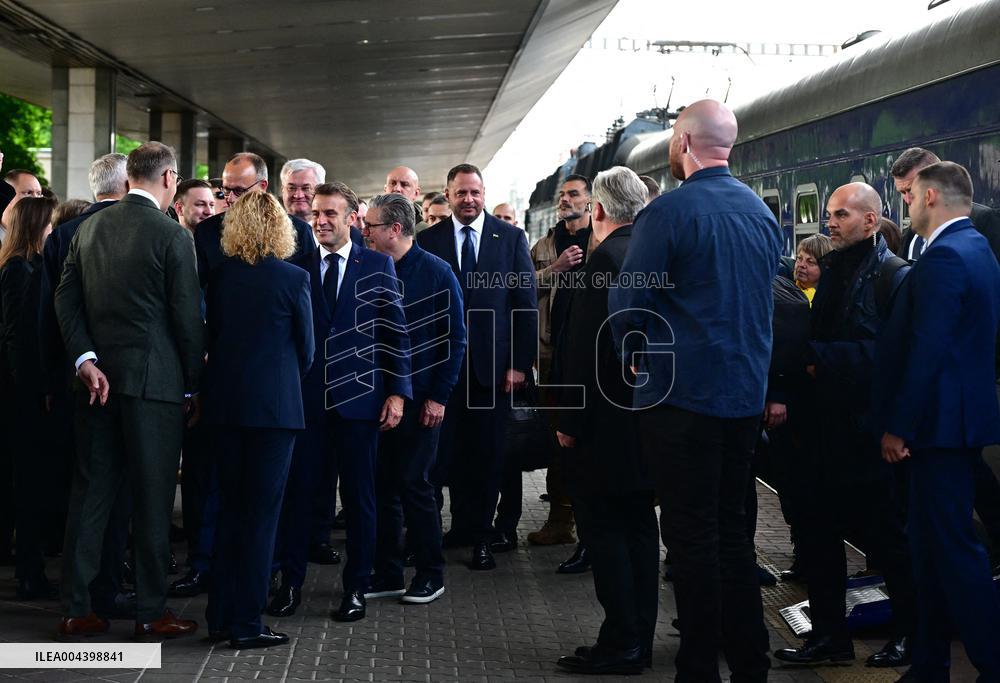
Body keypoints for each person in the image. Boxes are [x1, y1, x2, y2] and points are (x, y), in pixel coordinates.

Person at [610, 100, 779, 682]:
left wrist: (632, 356)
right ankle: (751, 665)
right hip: (744, 398)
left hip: (681, 401)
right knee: (734, 535)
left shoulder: (669, 213)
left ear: (681, 142)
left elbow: (630, 304)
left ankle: (698, 669)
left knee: (690, 538)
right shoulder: (760, 212)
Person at [54, 142, 204, 641]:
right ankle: (150, 612)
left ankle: (76, 609)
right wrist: (193, 384)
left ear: (128, 177)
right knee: (153, 500)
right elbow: (187, 319)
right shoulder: (171, 234)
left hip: (95, 385)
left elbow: (65, 299)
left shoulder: (88, 228)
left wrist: (84, 359)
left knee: (90, 495)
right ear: (170, 178)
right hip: (154, 387)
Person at [774, 182, 916, 668]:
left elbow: (892, 356)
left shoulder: (893, 277)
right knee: (819, 537)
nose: (829, 223)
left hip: (866, 432)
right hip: (822, 431)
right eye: (829, 214)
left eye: (841, 215)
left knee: (887, 540)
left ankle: (909, 634)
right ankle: (830, 639)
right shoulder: (834, 269)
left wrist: (821, 357)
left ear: (870, 220)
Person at [873, 161, 1000, 682]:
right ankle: (928, 664)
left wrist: (899, 425)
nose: (904, 205)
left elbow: (929, 349)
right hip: (955, 422)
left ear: (929, 196)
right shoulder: (977, 248)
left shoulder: (946, 255)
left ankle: (992, 663)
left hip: (939, 428)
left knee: (953, 550)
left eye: (909, 196)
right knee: (927, 549)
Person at [278, 182, 410, 622]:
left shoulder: (377, 265)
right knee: (300, 496)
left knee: (359, 499)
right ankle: (290, 583)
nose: (320, 220)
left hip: (360, 404)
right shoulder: (295, 266)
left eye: (330, 213)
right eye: (317, 213)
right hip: (306, 403)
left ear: (352, 219)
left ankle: (355, 588)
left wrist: (398, 393)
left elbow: (395, 333)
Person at [553, 167, 658, 676]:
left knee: (607, 534)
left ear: (597, 210)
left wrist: (568, 421)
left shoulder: (604, 262)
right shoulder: (650, 256)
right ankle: (639, 637)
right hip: (646, 420)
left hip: (603, 428)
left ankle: (621, 642)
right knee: (640, 530)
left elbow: (584, 353)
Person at [202, 191, 313, 649]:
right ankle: (247, 624)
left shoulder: (220, 276)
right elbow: (307, 351)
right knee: (261, 518)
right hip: (276, 411)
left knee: (228, 510)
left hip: (226, 407)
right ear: (280, 229)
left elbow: (209, 338)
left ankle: (220, 617)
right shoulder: (294, 278)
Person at [417, 163, 537, 571]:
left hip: (493, 374)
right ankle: (451, 531)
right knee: (442, 457)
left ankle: (482, 538)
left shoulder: (511, 238)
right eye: (461, 193)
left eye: (475, 192)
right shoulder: (429, 239)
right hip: (443, 372)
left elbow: (525, 305)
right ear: (448, 194)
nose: (469, 199)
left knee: (486, 458)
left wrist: (519, 364)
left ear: (483, 194)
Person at [39, 152, 133, 621]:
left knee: (87, 488)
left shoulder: (63, 235)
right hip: (130, 381)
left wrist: (54, 376)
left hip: (77, 378)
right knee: (120, 493)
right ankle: (108, 589)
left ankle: (76, 598)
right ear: (128, 183)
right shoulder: (138, 228)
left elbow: (48, 313)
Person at [364, 192, 465, 604]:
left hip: (422, 401)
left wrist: (439, 397)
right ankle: (388, 573)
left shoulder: (437, 273)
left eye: (370, 226)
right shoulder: (370, 267)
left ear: (395, 229)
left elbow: (455, 339)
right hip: (377, 400)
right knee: (382, 487)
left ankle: (430, 573)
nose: (364, 232)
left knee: (415, 486)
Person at [527, 174, 597, 567]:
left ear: (590, 201)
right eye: (562, 195)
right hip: (553, 359)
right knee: (558, 442)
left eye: (573, 194)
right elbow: (522, 288)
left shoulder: (601, 241)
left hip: (590, 361)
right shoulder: (544, 246)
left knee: (588, 444)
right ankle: (559, 522)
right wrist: (554, 268)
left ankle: (591, 532)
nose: (565, 200)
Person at [0, 196, 57, 599]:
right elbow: (17, 336)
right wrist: (35, 391)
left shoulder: (24, 266)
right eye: (49, 225)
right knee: (28, 483)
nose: (53, 231)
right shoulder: (19, 269)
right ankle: (29, 573)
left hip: (21, 390)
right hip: (21, 394)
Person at [194, 152, 316, 285]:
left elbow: (309, 288)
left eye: (239, 191)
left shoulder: (300, 231)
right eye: (226, 190)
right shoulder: (206, 230)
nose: (230, 198)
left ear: (262, 186)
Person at [279, 158, 325, 223]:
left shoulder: (334, 228)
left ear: (321, 191)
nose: (298, 196)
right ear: (282, 190)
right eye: (291, 188)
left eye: (306, 188)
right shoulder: (267, 227)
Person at [793, 234, 832, 305]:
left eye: (810, 262)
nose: (801, 265)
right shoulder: (782, 285)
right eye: (799, 258)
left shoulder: (832, 301)